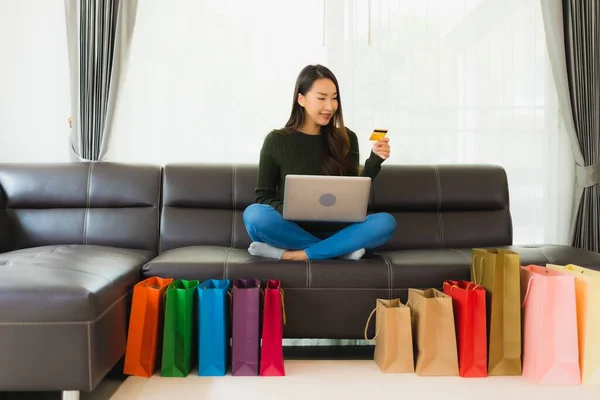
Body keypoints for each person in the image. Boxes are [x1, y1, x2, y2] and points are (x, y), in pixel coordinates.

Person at [243, 64, 397, 261]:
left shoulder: (347, 137)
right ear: (301, 99)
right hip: (291, 229)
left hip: (339, 231)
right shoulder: (276, 141)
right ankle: (339, 251)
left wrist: (375, 162)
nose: (330, 106)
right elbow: (263, 197)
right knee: (254, 215)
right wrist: (293, 209)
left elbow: (353, 195)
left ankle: (295, 255)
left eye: (334, 98)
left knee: (385, 222)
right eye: (322, 98)